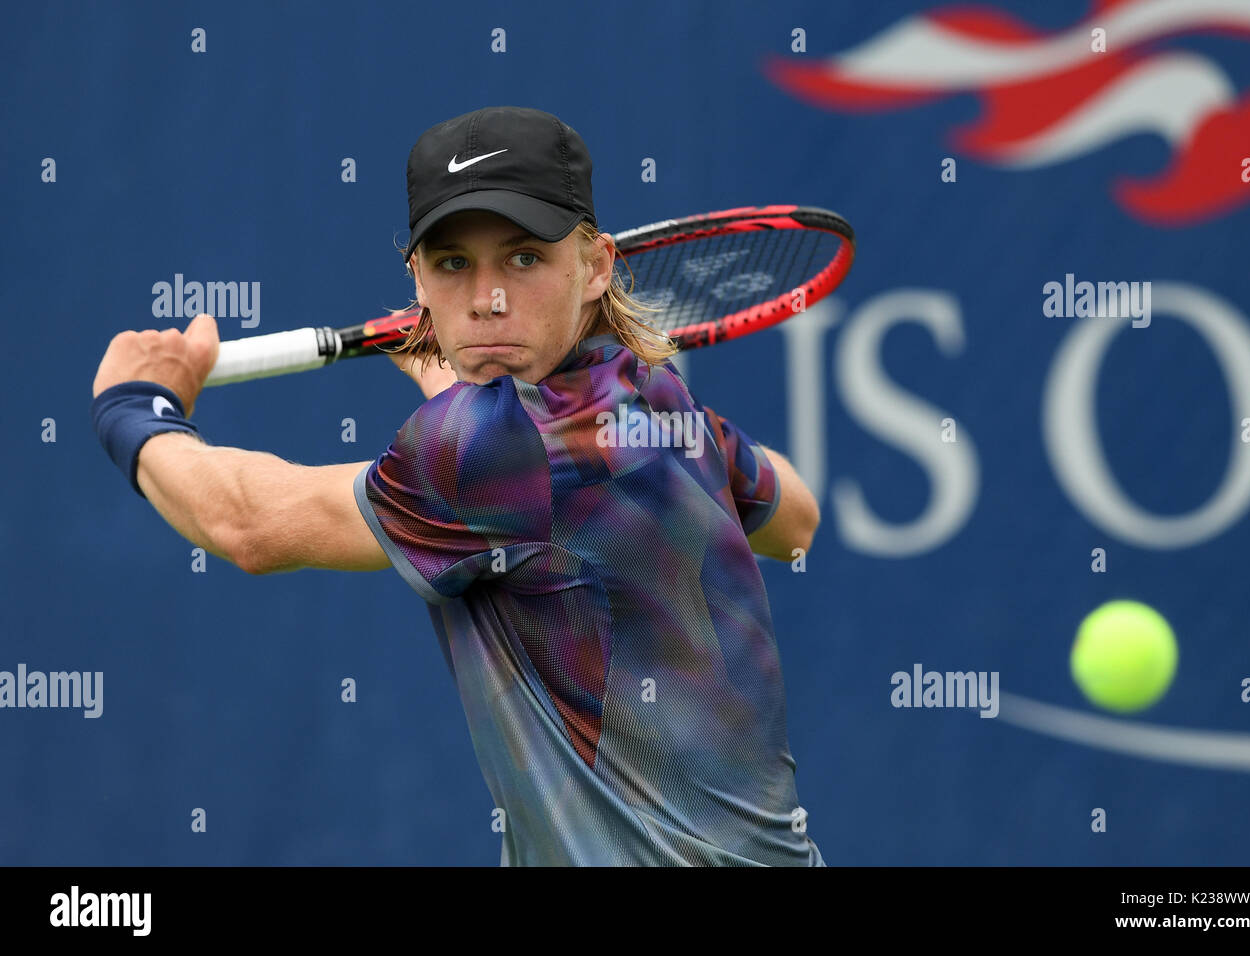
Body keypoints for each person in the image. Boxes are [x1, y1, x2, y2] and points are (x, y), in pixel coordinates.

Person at [91, 105, 825, 866]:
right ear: (416, 279)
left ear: (597, 265)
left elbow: (251, 525)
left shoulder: (485, 451)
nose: (487, 300)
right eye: (452, 264)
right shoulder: (658, 405)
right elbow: (795, 517)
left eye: (523, 259)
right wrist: (463, 394)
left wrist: (136, 409)